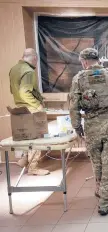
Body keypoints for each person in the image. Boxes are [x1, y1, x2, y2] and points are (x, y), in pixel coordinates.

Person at [69, 48, 108, 216]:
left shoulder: (78, 79)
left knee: (97, 164)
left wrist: (77, 127)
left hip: (91, 127)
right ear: (98, 60)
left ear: (84, 61)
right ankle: (106, 202)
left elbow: (73, 105)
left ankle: (101, 192)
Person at [9, 48, 49, 176]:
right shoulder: (29, 71)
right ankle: (33, 167)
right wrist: (38, 105)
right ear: (35, 59)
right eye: (36, 60)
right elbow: (25, 91)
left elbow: (13, 90)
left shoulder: (14, 69)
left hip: (20, 107)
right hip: (31, 108)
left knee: (27, 136)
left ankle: (24, 159)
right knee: (37, 137)